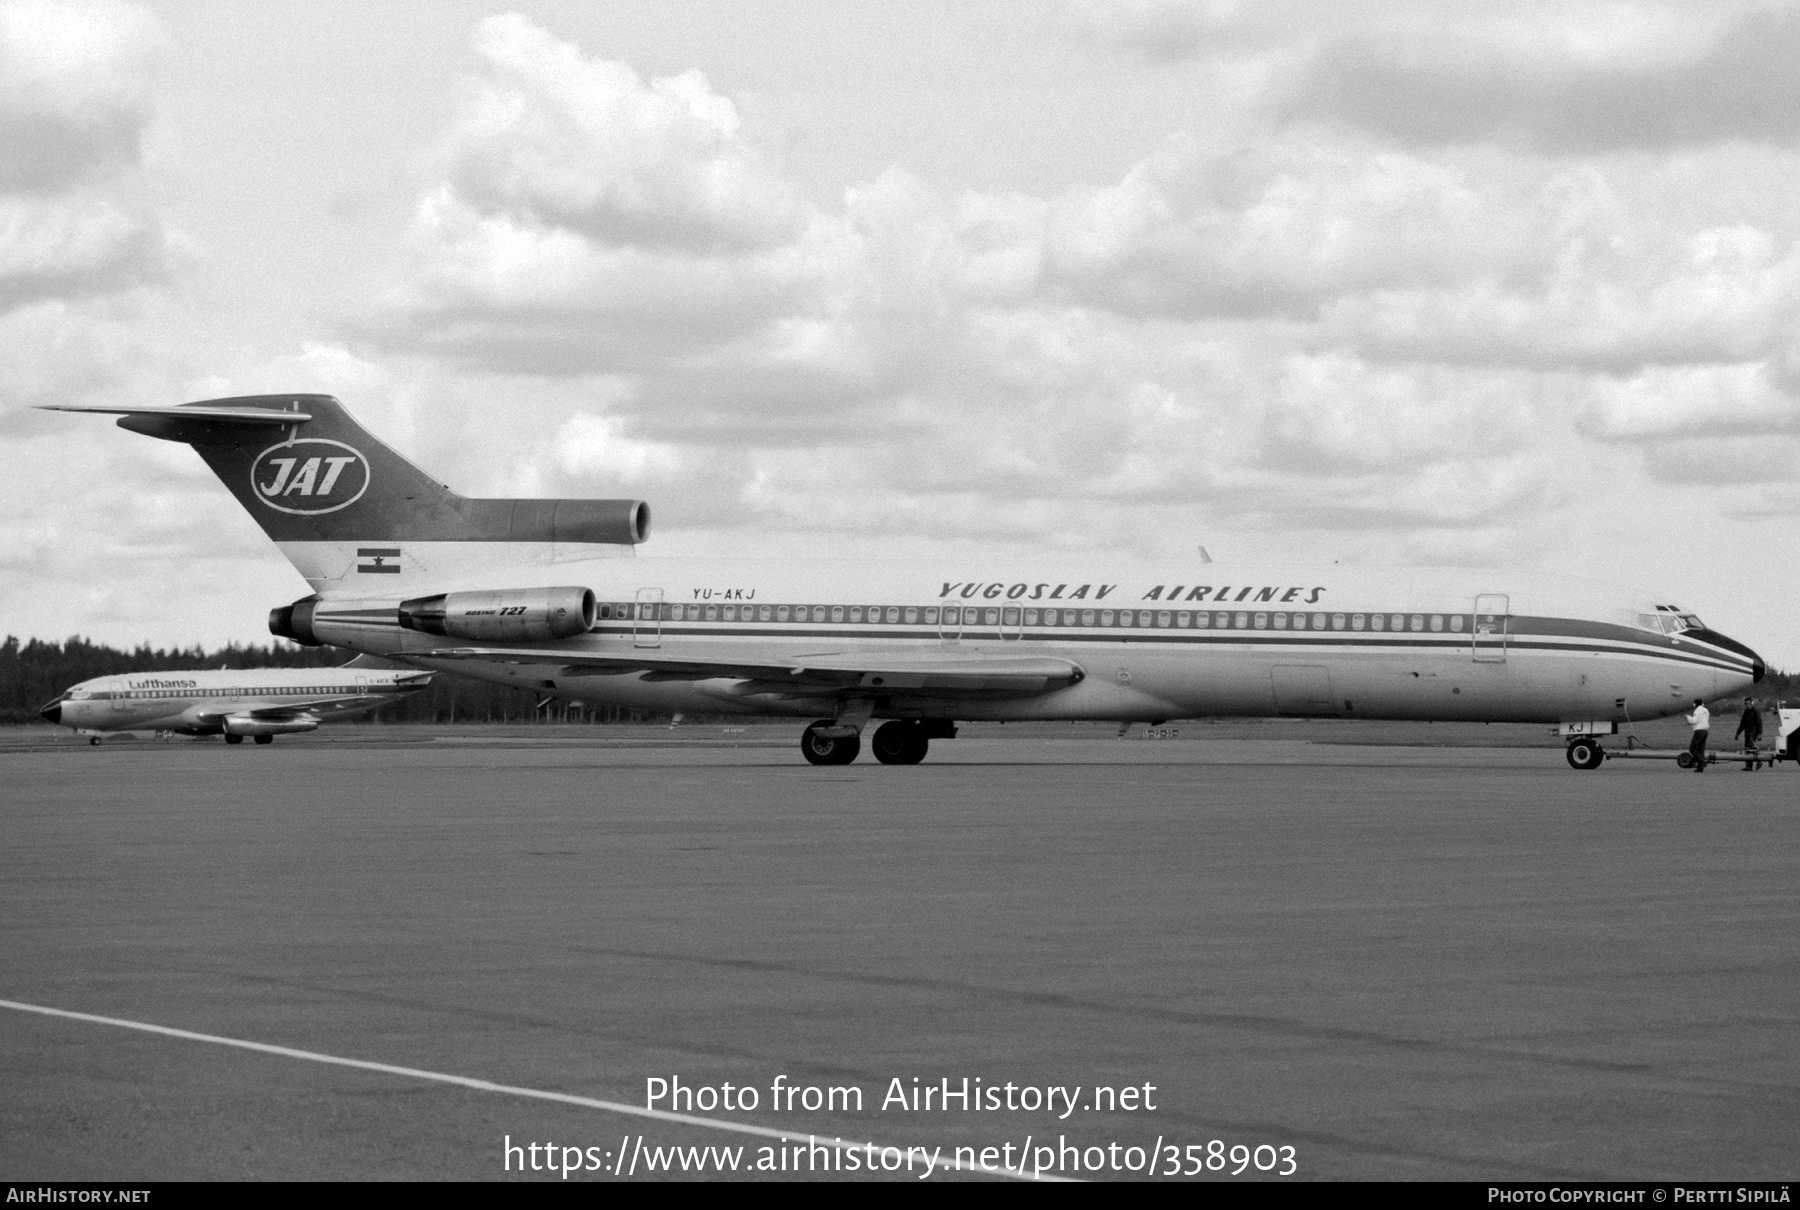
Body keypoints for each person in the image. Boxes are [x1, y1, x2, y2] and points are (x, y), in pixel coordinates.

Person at [1734, 697, 1763, 771]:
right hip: (1747, 732)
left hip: (1753, 732)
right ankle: (1749, 766)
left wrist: (1759, 733)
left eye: (1748, 703)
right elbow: (1742, 724)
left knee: (1750, 748)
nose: (1747, 705)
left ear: (1751, 703)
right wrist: (1737, 733)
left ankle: (1759, 761)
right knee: (1748, 749)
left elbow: (1759, 723)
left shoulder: (1755, 711)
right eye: (1745, 704)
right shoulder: (1746, 712)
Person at [1686, 698, 1710, 773]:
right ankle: (1700, 768)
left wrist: (1688, 717)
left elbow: (1694, 721)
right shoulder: (1706, 710)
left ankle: (1702, 762)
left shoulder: (1697, 710)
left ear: (1695, 704)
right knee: (1701, 749)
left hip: (1699, 731)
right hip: (1705, 730)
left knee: (1692, 748)